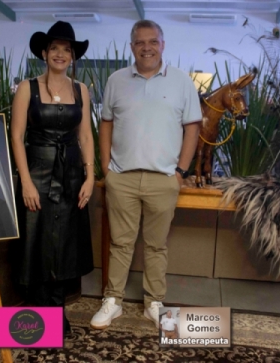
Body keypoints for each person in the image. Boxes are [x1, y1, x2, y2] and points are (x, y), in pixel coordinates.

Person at [90, 20, 201, 329]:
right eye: (140, 42)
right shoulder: (116, 80)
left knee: (156, 246)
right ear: (132, 47)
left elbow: (192, 128)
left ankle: (154, 303)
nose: (147, 47)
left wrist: (180, 172)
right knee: (120, 244)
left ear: (162, 45)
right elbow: (106, 124)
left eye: (153, 41)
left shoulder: (181, 82)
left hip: (163, 179)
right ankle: (113, 301)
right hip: (121, 178)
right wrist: (106, 168)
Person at [11, 21, 94, 336]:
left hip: (71, 173)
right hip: (37, 171)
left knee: (64, 244)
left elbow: (85, 136)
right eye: (55, 48)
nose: (61, 54)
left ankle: (57, 315)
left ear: (72, 56)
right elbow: (17, 136)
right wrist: (26, 181)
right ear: (44, 53)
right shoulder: (26, 88)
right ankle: (38, 317)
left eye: (66, 49)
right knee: (37, 242)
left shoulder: (81, 90)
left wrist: (90, 176)